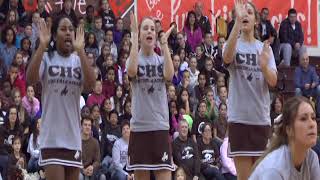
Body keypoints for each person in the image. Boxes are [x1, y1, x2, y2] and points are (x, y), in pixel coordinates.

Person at [26, 15, 95, 180]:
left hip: (73, 138)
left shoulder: (78, 61)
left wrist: (81, 50)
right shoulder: (47, 57)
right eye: (63, 29)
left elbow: (90, 85)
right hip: (52, 138)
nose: (68, 33)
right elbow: (30, 79)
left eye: (71, 29)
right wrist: (42, 46)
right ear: (55, 35)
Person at [222, 1, 277, 180]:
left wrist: (264, 66)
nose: (245, 15)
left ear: (256, 21)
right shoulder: (232, 44)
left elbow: (273, 81)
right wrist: (237, 23)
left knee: (261, 176)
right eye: (241, 13)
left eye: (249, 13)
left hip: (260, 120)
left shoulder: (264, 49)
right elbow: (227, 57)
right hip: (239, 119)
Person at [126, 12, 175, 179]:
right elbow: (131, 71)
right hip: (140, 128)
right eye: (145, 29)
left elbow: (169, 75)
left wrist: (164, 44)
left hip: (160, 126)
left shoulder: (161, 60)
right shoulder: (134, 59)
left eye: (152, 29)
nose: (149, 32)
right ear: (140, 35)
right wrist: (133, 37)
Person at [249, 96, 320, 179]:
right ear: (289, 129)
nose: (312, 124)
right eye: (303, 119)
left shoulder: (311, 157)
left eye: (313, 118)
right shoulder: (274, 170)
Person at [294, 52, 320, 118]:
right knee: (297, 90)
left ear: (308, 60)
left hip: (312, 91)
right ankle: (299, 112)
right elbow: (296, 84)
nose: (305, 61)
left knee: (319, 88)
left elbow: (317, 80)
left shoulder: (312, 69)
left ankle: (319, 112)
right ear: (300, 61)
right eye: (303, 59)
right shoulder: (297, 70)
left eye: (306, 59)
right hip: (302, 92)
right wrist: (304, 86)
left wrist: (315, 83)